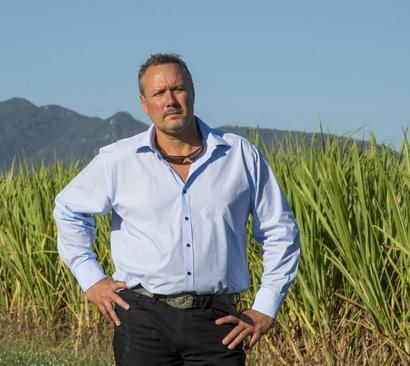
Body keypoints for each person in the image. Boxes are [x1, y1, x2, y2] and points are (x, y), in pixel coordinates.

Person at [53, 53, 300, 365]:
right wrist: (91, 279)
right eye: (158, 93)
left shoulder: (239, 155)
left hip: (218, 323)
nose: (169, 100)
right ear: (144, 103)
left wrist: (266, 307)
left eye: (177, 89)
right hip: (141, 320)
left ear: (193, 93)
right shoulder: (118, 160)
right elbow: (68, 208)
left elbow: (281, 230)